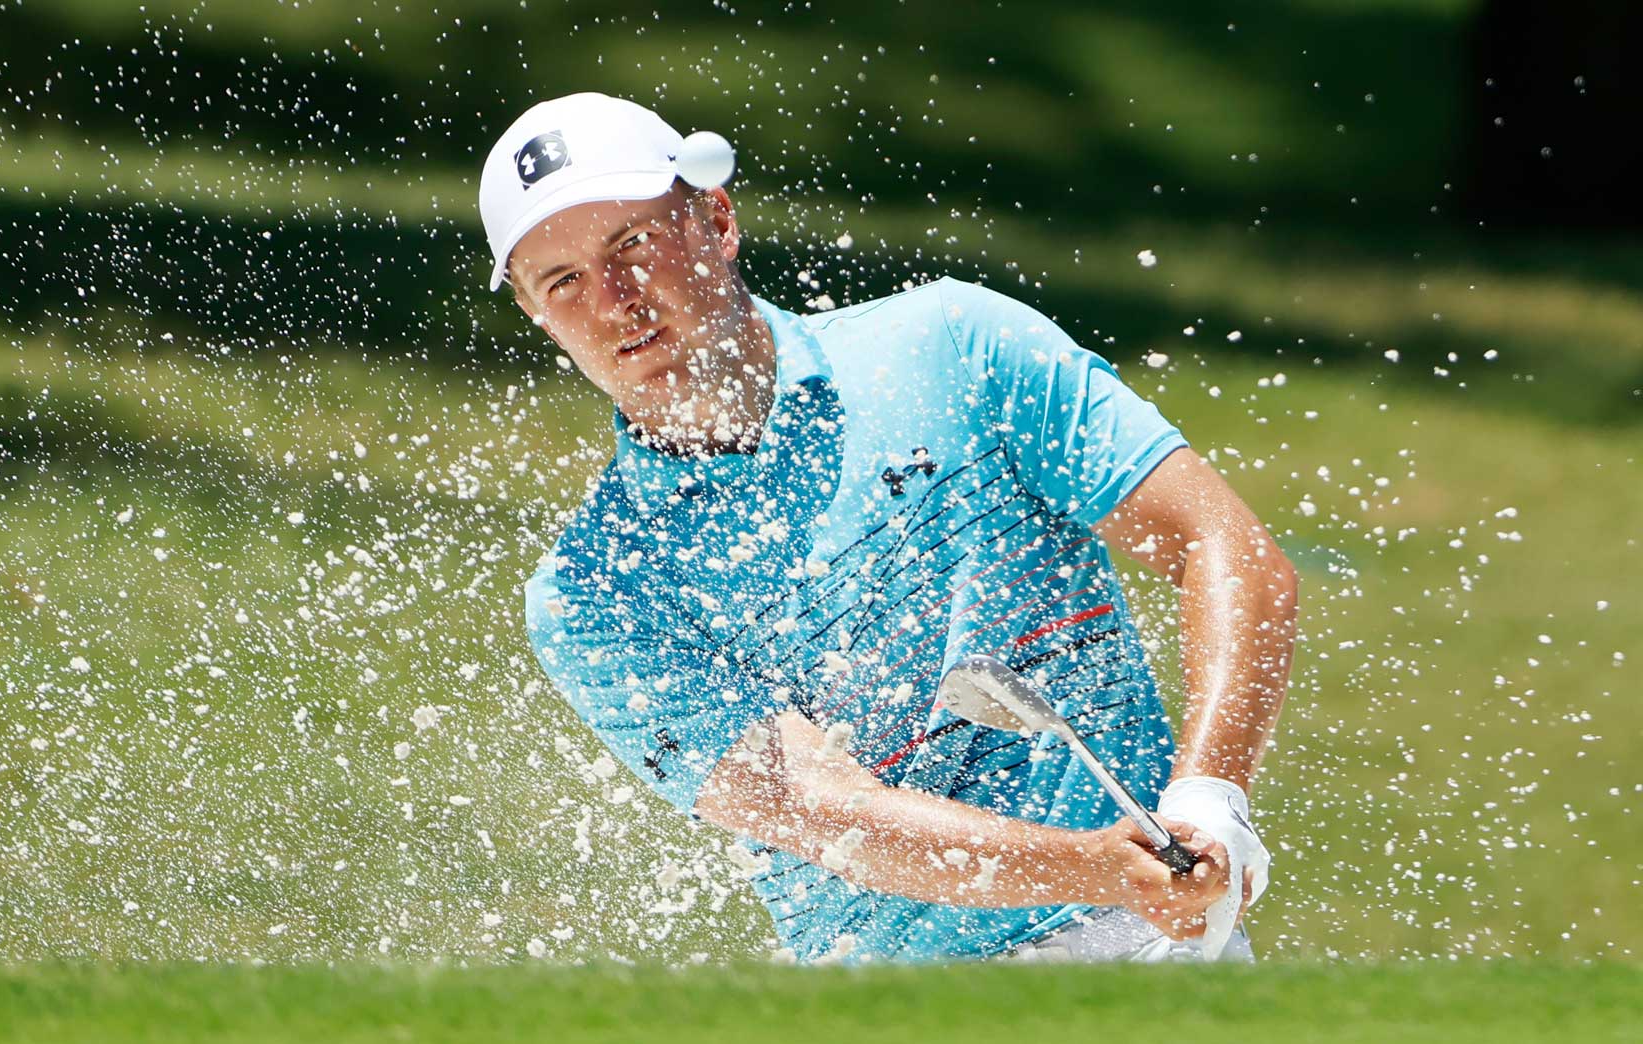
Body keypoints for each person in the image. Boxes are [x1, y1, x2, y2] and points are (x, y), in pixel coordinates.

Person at [479, 92, 1298, 963]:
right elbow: (833, 814)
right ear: (535, 312)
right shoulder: (592, 593)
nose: (613, 301)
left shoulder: (951, 343)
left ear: (716, 220)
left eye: (633, 244)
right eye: (562, 282)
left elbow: (1221, 546)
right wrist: (1096, 867)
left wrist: (1211, 795)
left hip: (1143, 952)